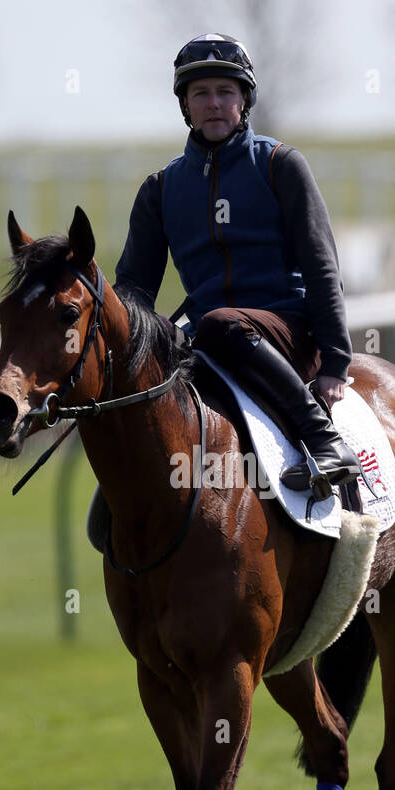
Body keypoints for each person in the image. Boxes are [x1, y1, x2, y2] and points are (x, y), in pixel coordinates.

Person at [114, 32, 360, 495]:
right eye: (200, 93)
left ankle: (325, 442)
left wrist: (334, 362)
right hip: (210, 340)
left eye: (225, 92)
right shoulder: (160, 189)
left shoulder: (281, 165)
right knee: (176, 336)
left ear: (243, 100)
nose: (213, 103)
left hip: (287, 334)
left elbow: (322, 266)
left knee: (220, 323)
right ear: (185, 106)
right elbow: (133, 296)